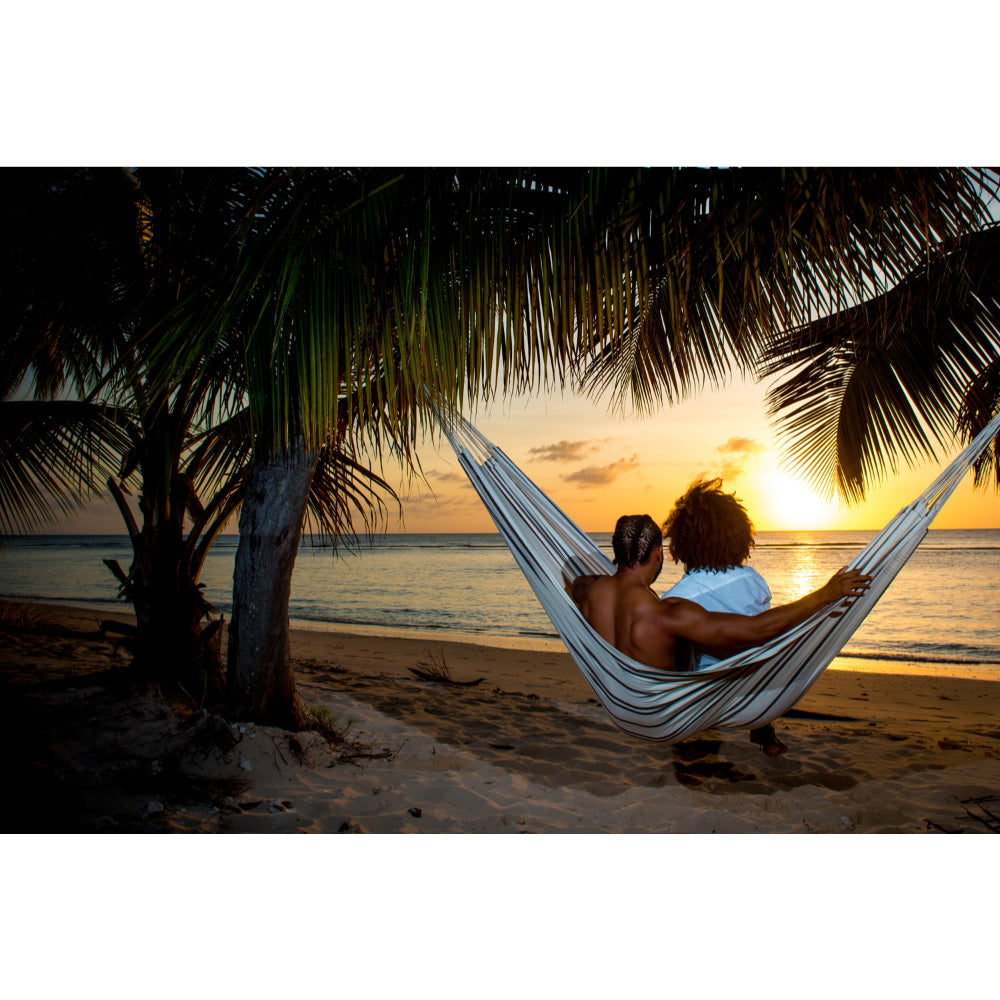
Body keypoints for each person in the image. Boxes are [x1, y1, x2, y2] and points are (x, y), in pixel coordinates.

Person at [571, 513, 871, 754]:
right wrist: (825, 594)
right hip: (661, 716)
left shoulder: (586, 589)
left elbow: (571, 579)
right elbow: (758, 630)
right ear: (658, 553)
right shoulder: (668, 614)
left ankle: (761, 726)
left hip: (620, 704)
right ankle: (760, 722)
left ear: (617, 552)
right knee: (723, 647)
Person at [660, 479, 782, 753]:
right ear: (737, 536)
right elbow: (760, 637)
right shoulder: (755, 581)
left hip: (702, 696)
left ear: (683, 541)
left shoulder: (677, 598)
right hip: (751, 690)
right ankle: (762, 727)